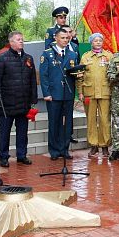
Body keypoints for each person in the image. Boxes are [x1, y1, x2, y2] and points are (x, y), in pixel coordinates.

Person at [0, 31, 38, 167]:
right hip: (7, 104)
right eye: (18, 40)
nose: (21, 42)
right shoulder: (2, 58)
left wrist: (33, 99)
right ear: (11, 42)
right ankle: (3, 157)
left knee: (23, 131)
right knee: (4, 132)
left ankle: (21, 155)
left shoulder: (28, 58)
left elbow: (32, 80)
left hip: (24, 103)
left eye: (22, 39)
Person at [39, 28, 78, 160]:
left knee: (67, 123)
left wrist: (78, 74)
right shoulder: (48, 54)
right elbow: (43, 76)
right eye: (62, 38)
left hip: (68, 93)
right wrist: (46, 93)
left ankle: (64, 148)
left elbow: (74, 73)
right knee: (54, 122)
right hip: (54, 94)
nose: (65, 40)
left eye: (67, 38)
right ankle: (54, 150)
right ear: (56, 38)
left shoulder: (72, 54)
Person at [77, 33, 113, 158]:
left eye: (100, 40)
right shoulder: (85, 57)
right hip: (89, 93)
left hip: (105, 92)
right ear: (91, 43)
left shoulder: (109, 56)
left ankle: (105, 146)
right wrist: (80, 92)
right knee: (91, 119)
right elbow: (80, 75)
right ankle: (93, 145)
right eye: (95, 41)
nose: (98, 42)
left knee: (105, 120)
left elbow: (113, 75)